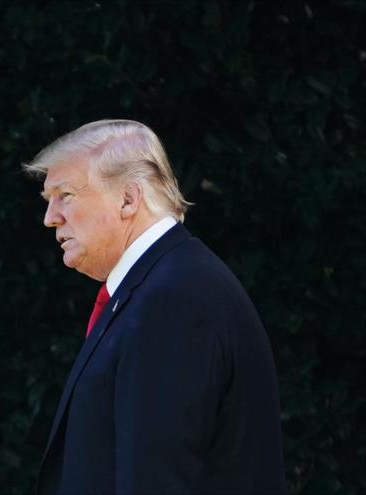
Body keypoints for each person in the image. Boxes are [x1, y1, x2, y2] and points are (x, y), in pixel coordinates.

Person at [26, 120, 286, 494]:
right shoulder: (163, 285)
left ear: (128, 199)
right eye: (48, 200)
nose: (50, 217)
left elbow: (157, 479)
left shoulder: (173, 299)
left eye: (65, 195)